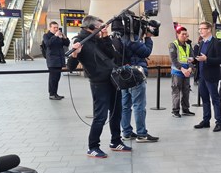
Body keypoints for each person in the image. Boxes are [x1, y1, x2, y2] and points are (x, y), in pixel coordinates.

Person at [67, 16, 132, 157]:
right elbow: (70, 67)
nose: (102, 29)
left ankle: (115, 141)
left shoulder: (97, 39)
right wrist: (74, 54)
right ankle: (93, 147)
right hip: (99, 83)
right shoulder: (79, 41)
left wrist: (105, 38)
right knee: (100, 116)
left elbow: (112, 55)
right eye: (99, 27)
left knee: (116, 112)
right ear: (90, 28)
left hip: (113, 80)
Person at [118, 27, 159, 143]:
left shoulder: (119, 37)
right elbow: (146, 52)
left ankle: (126, 132)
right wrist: (148, 38)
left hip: (123, 74)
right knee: (139, 105)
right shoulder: (133, 39)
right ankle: (141, 134)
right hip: (135, 74)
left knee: (125, 105)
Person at [193, 21, 221, 132]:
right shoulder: (202, 43)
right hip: (202, 76)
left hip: (212, 76)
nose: (200, 30)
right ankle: (206, 120)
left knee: (215, 99)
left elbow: (220, 59)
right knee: (205, 99)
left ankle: (218, 122)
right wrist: (194, 60)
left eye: (202, 28)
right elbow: (200, 58)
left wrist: (207, 59)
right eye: (199, 29)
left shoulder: (216, 43)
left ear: (209, 29)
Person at [169, 26, 195, 118]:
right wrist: (183, 69)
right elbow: (174, 60)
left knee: (186, 90)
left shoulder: (188, 46)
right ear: (177, 34)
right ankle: (175, 111)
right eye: (182, 34)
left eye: (185, 34)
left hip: (187, 72)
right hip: (177, 72)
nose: (185, 36)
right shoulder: (173, 45)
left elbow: (192, 59)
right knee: (176, 91)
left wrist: (190, 69)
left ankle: (185, 109)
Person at [43, 21, 70, 100]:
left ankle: (55, 93)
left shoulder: (59, 36)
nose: (56, 29)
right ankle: (51, 94)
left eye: (57, 27)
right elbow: (48, 44)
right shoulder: (46, 36)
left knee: (57, 78)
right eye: (54, 27)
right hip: (52, 60)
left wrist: (64, 37)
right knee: (53, 78)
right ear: (50, 28)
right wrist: (55, 36)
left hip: (60, 60)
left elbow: (66, 44)